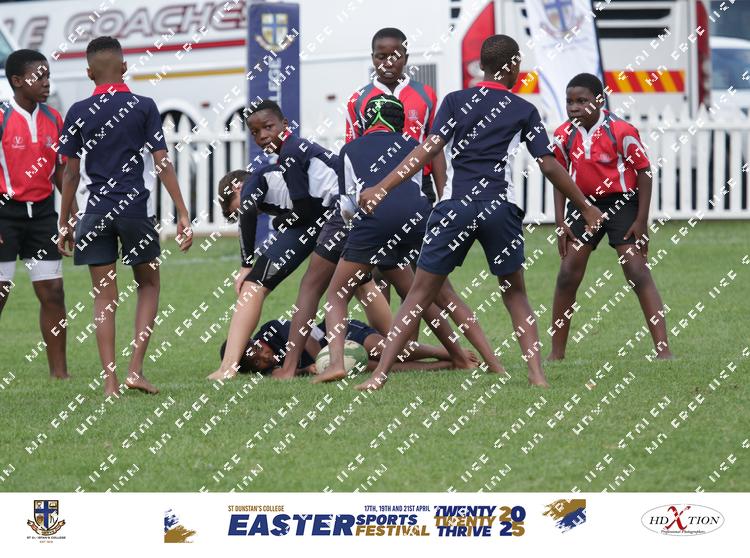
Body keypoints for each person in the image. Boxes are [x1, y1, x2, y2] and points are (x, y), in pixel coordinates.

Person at [353, 35, 604, 391]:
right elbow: (548, 164)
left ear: (481, 66)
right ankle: (537, 375)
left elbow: (427, 151)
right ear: (514, 66)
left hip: (455, 206)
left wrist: (382, 186)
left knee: (419, 295)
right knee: (515, 294)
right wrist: (586, 206)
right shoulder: (523, 109)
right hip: (498, 207)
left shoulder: (455, 101)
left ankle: (379, 376)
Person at [315, 94, 504, 384]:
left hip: (373, 224)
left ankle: (336, 364)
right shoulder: (413, 145)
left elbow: (347, 206)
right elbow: (415, 187)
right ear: (401, 122)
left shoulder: (350, 149)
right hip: (417, 221)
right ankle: (486, 362)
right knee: (439, 295)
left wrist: (359, 244)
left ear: (365, 121)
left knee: (337, 294)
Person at [56, 36, 193, 397]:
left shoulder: (77, 111)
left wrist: (64, 221)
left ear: (89, 73)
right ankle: (135, 370)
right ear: (125, 67)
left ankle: (110, 382)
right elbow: (162, 163)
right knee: (148, 285)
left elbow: (70, 173)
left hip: (95, 212)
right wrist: (182, 211)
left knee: (104, 298)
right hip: (135, 211)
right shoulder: (143, 106)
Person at [206, 99, 342, 381]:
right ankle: (397, 349)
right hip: (326, 215)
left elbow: (253, 212)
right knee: (366, 283)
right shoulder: (284, 160)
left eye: (268, 127)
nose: (262, 136)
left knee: (255, 285)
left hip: (332, 214)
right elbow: (303, 208)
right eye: (255, 132)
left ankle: (229, 366)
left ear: (237, 187)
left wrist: (246, 264)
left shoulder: (257, 178)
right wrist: (284, 221)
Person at [546, 73, 672, 360]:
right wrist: (560, 220)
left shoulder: (621, 130)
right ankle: (556, 354)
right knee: (567, 273)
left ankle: (663, 351)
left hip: (622, 202)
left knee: (636, 270)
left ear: (600, 101)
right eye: (570, 102)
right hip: (583, 204)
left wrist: (641, 221)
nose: (575, 107)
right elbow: (559, 176)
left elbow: (644, 171)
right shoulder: (563, 134)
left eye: (582, 101)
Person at [0, 49, 69, 379]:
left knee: (53, 292)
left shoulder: (54, 118)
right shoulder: (2, 117)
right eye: (38, 76)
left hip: (42, 215)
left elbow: (62, 172)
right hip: (4, 215)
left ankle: (60, 375)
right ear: (17, 81)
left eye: (48, 75)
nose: (46, 82)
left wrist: (69, 216)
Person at [219, 317, 454, 376]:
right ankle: (440, 366)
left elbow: (304, 335)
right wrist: (305, 370)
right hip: (329, 358)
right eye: (257, 363)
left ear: (255, 341)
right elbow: (280, 374)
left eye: (260, 351)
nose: (265, 358)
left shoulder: (272, 328)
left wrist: (326, 361)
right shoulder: (264, 370)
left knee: (384, 349)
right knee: (374, 366)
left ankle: (447, 352)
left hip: (338, 333)